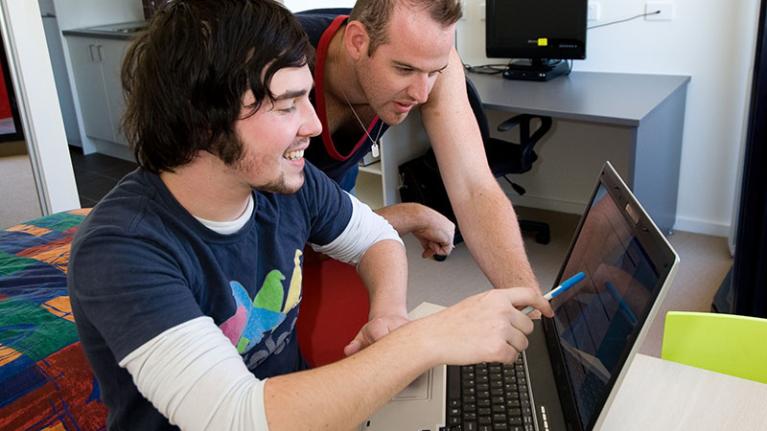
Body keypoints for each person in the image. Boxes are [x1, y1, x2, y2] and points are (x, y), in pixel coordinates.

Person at [67, 1, 553, 430]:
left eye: (308, 96)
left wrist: (388, 314)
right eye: (286, 106)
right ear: (202, 121)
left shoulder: (285, 183)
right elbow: (238, 417)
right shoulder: (121, 252)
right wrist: (426, 340)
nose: (315, 125)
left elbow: (377, 237)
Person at [296, 0, 541, 291]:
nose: (422, 94)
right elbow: (277, 226)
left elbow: (475, 188)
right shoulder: (280, 63)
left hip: (332, 186)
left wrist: (530, 301)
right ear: (357, 42)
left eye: (435, 71)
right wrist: (407, 215)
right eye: (404, 69)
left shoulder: (429, 59)